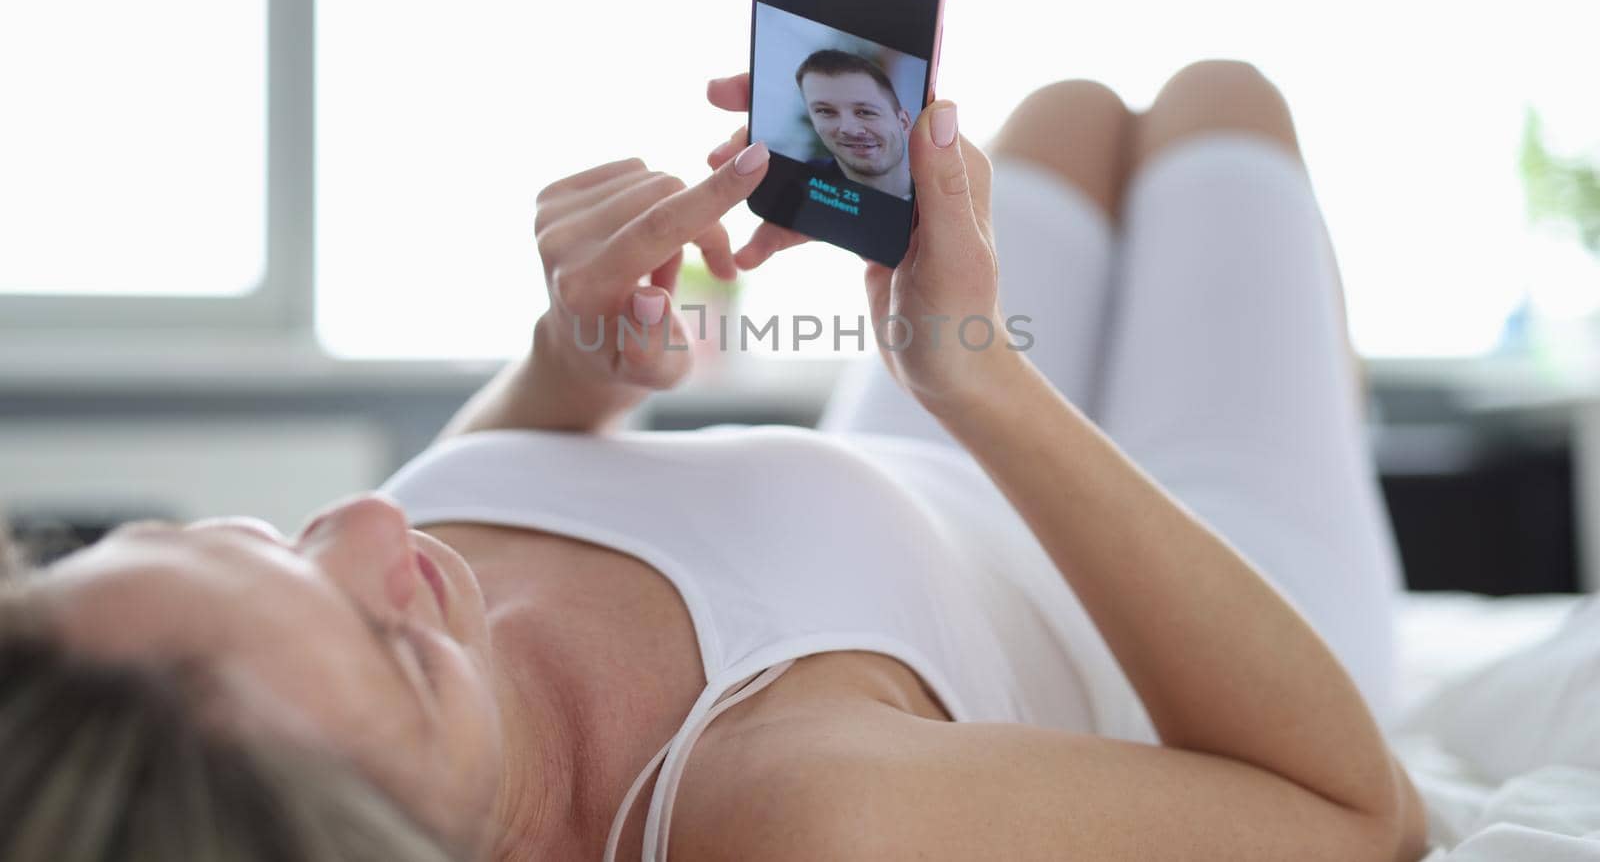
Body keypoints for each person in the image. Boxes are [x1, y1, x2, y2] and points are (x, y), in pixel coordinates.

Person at [0, 60, 1430, 862]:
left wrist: (579, 348)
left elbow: (509, 456)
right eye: (399, 654)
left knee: (1062, 117)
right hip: (1173, 596)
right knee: (1224, 104)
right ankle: (1327, 436)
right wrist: (984, 375)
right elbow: (1364, 814)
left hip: (920, 465)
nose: (377, 521)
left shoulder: (389, 579)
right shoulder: (792, 810)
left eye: (260, 536)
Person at [793, 48, 915, 199]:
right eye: (826, 111)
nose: (848, 129)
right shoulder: (798, 188)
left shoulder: (933, 198)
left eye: (865, 112)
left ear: (903, 123)